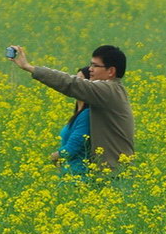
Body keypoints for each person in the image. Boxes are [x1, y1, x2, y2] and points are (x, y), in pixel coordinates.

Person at [10, 44, 134, 175]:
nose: (90, 69)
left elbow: (71, 83)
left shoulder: (108, 91)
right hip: (109, 171)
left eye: (95, 66)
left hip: (114, 173)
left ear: (111, 71)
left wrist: (29, 67)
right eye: (90, 65)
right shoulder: (110, 91)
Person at [51, 66, 92, 177]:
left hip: (79, 175)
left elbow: (72, 148)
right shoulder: (79, 113)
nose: (74, 83)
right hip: (69, 173)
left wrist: (54, 156)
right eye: (74, 78)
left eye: (80, 80)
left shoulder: (86, 114)